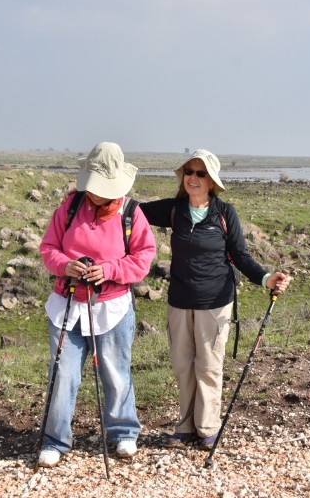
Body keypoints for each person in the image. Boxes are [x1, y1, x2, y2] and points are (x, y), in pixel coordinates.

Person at [139, 149, 292, 450]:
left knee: (208, 365)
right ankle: (185, 427)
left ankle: (207, 426)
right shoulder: (174, 209)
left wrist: (265, 278)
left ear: (212, 181)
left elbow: (240, 256)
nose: (193, 178)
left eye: (201, 173)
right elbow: (133, 211)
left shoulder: (224, 213)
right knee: (183, 365)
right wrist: (89, 196)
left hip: (216, 301)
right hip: (180, 299)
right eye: (189, 172)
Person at [36, 142, 156, 467]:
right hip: (68, 306)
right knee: (63, 374)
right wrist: (65, 265)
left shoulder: (131, 213)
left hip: (113, 307)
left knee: (116, 373)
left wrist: (110, 270)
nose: (97, 194)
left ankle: (123, 434)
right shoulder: (70, 207)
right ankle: (55, 440)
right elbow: (48, 247)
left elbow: (143, 258)